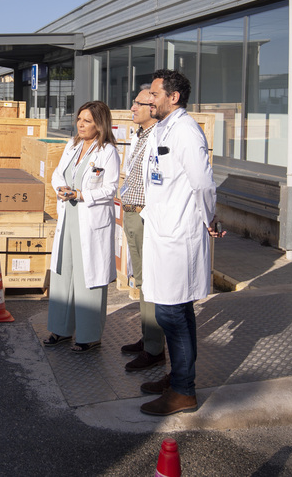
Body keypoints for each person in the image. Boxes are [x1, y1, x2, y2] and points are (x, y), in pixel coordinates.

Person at [139, 69, 224, 416]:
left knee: (171, 312)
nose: (149, 100)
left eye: (155, 94)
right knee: (176, 309)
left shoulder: (187, 131)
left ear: (173, 97)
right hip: (162, 229)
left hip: (178, 234)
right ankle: (178, 376)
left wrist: (210, 218)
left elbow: (203, 183)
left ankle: (183, 390)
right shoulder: (162, 127)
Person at [43, 101, 120, 353]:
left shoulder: (107, 151)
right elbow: (57, 174)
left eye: (87, 121)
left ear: (100, 123)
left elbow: (110, 188)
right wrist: (61, 189)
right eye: (79, 119)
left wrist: (81, 193)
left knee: (89, 277)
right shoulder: (72, 145)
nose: (81, 125)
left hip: (90, 217)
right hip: (69, 215)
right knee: (63, 270)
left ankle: (89, 335)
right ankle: (61, 329)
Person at [119, 86, 165, 371]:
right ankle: (148, 336)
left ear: (152, 107)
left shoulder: (158, 138)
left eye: (138, 104)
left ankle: (155, 349)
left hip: (145, 217)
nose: (132, 109)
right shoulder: (141, 135)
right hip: (132, 214)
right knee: (140, 282)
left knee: (150, 282)